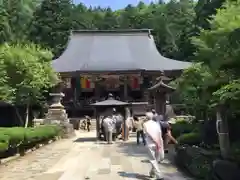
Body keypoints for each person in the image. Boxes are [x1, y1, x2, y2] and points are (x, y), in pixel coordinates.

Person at [143, 112, 164, 180]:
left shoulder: (145, 124)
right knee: (156, 159)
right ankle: (152, 173)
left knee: (153, 159)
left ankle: (159, 174)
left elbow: (149, 134)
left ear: (146, 117)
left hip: (150, 143)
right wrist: (160, 143)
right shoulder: (156, 124)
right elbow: (159, 134)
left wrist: (156, 141)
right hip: (158, 142)